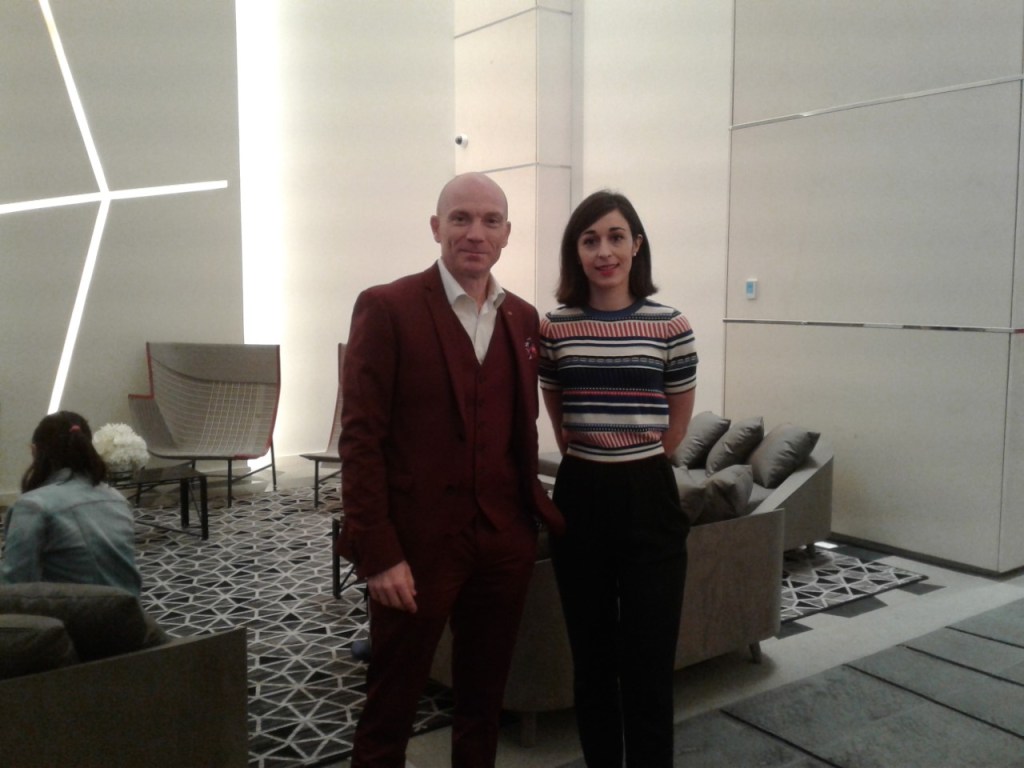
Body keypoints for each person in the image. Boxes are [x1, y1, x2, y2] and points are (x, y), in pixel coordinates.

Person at [336, 172, 564, 768]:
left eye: (490, 221)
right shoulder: (387, 307)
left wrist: (525, 528)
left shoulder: (524, 319)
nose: (475, 233)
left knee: (483, 704)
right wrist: (378, 552)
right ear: (437, 228)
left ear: (507, 234)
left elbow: (520, 428)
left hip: (503, 543)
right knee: (391, 705)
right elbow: (360, 441)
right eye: (461, 218)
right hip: (413, 550)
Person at [538, 190, 697, 768]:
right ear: (575, 253)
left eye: (615, 237)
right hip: (581, 497)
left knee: (650, 663)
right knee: (593, 662)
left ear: (636, 246)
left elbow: (676, 426)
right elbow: (559, 419)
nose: (603, 251)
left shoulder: (671, 326)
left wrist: (634, 460)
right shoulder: (554, 329)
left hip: (649, 496)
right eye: (589, 240)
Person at [0, 411, 142, 596]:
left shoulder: (33, 506)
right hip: (130, 612)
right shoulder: (117, 498)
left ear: (34, 451)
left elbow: (15, 588)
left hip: (69, 613)